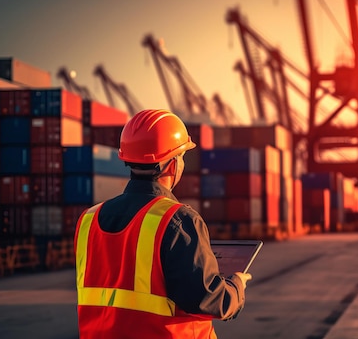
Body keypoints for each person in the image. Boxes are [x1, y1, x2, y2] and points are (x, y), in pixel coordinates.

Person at [74, 109, 253, 338]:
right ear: (172, 164)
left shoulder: (88, 219)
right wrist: (235, 287)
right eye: (182, 157)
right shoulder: (177, 220)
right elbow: (204, 298)